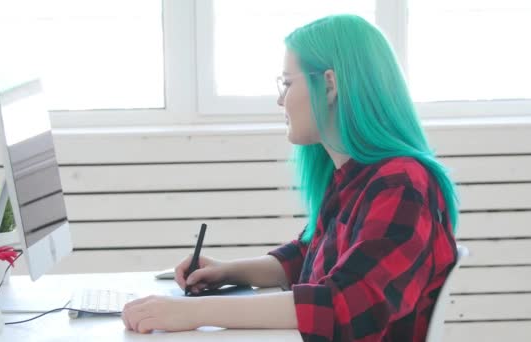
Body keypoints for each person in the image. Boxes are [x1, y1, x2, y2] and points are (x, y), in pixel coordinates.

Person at [122, 14, 458, 342]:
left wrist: (192, 313)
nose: (280, 100)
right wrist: (227, 271)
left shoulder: (401, 184)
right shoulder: (355, 177)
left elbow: (339, 306)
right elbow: (307, 256)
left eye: (287, 83)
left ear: (329, 85)